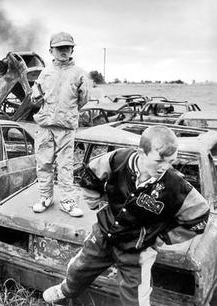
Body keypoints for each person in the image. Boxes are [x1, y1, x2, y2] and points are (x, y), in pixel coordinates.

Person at [43, 125, 210, 305]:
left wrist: (162, 237)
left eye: (171, 161)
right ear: (141, 152)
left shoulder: (176, 185)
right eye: (159, 161)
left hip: (137, 251)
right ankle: (65, 291)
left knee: (136, 299)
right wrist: (96, 204)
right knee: (78, 270)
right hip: (103, 236)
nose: (165, 167)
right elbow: (90, 175)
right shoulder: (118, 159)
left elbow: (199, 217)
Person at [31, 31, 90, 217]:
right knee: (44, 163)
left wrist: (66, 113)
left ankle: (67, 202)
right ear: (51, 51)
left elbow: (83, 99)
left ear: (72, 49)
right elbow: (35, 98)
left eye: (67, 47)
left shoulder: (79, 73)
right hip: (45, 127)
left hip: (65, 128)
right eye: (59, 48)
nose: (63, 51)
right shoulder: (45, 73)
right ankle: (45, 198)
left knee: (65, 166)